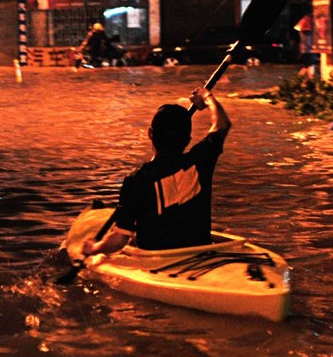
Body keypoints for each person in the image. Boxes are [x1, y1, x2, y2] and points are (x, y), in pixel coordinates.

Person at [82, 86, 231, 256]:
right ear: (187, 140)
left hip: (157, 259)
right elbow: (222, 124)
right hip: (199, 250)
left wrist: (93, 248)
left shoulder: (136, 181)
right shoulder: (201, 158)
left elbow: (118, 240)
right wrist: (206, 96)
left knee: (132, 236)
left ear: (150, 134)